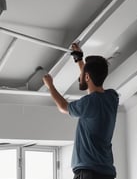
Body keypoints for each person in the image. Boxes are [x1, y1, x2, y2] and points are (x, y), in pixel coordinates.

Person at [43, 43, 119, 179]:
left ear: (87, 77)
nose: (80, 77)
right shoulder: (112, 97)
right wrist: (79, 60)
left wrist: (50, 86)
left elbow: (62, 106)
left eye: (83, 75)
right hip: (104, 172)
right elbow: (91, 78)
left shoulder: (90, 103)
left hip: (90, 173)